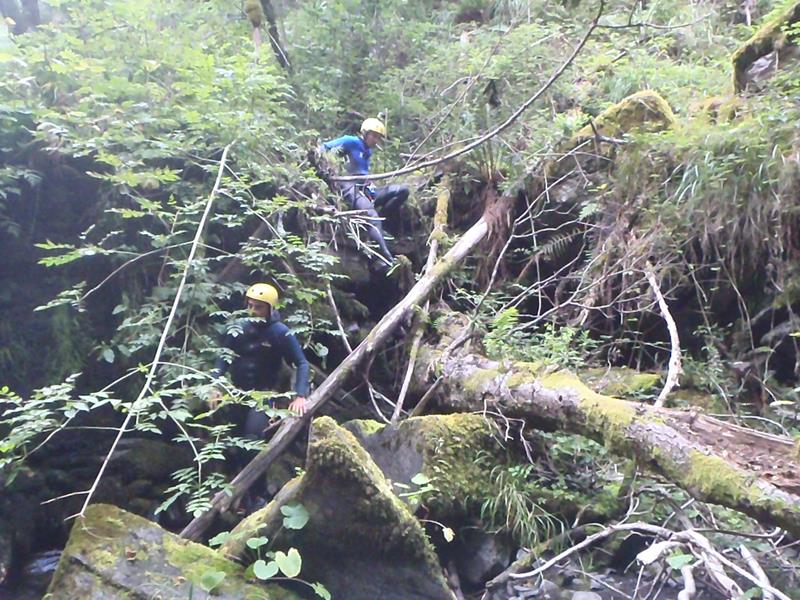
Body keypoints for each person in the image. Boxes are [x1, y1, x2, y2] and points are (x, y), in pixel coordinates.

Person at [209, 283, 310, 438]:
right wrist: (214, 385)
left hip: (264, 395)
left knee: (253, 435)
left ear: (270, 308)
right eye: (250, 306)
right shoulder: (238, 328)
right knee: (229, 436)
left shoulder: (280, 332)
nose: (253, 311)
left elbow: (302, 363)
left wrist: (300, 396)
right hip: (237, 392)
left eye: (258, 307)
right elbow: (223, 357)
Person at [322, 117, 409, 266]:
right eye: (373, 136)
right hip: (349, 187)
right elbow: (323, 149)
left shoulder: (367, 151)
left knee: (402, 191)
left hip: (366, 188)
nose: (376, 140)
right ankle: (385, 256)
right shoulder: (350, 141)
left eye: (378, 137)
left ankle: (382, 223)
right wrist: (328, 171)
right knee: (371, 215)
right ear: (365, 133)